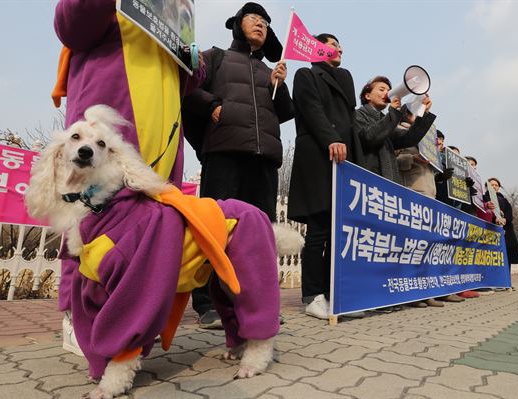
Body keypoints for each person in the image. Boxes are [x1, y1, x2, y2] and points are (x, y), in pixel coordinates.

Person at [53, 0, 206, 352]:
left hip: (163, 132)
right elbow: (71, 24)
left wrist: (193, 60)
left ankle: (137, 314)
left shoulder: (172, 11)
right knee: (92, 220)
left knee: (151, 223)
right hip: (112, 118)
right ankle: (80, 315)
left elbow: (188, 82)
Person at [182, 2, 294, 328]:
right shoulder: (217, 56)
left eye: (265, 21)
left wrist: (280, 83)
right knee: (214, 228)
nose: (260, 24)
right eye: (253, 18)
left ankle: (258, 304)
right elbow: (190, 86)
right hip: (224, 152)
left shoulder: (268, 72)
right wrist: (214, 104)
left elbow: (285, 113)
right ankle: (207, 303)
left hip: (263, 159)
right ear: (238, 24)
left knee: (260, 235)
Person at [287, 33, 362, 320]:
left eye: (340, 45)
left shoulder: (343, 77)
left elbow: (350, 119)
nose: (339, 48)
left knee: (337, 231)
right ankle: (312, 295)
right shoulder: (306, 75)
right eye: (332, 44)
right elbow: (312, 110)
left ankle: (334, 295)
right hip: (320, 154)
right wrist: (330, 138)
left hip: (344, 159)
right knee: (319, 228)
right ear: (317, 48)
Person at [353, 76, 436, 184]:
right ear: (367, 96)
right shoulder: (357, 115)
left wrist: (424, 113)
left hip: (390, 182)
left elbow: (410, 138)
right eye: (381, 90)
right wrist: (393, 113)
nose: (387, 93)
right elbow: (369, 137)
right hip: (368, 180)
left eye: (388, 91)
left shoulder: (387, 120)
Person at [486, 177, 518, 289]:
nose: (494, 187)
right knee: (493, 257)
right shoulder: (484, 198)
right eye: (491, 185)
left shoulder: (504, 200)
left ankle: (507, 282)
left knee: (507, 256)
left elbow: (509, 213)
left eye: (496, 185)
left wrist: (505, 219)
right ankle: (493, 282)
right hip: (490, 229)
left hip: (506, 231)